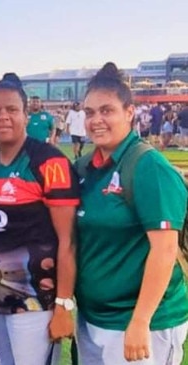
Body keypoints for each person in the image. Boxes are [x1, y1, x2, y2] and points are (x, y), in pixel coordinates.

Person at [74, 62, 188, 365]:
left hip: (141, 323)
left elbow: (164, 250)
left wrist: (140, 322)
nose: (96, 120)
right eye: (89, 112)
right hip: (92, 318)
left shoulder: (149, 167)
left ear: (129, 112)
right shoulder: (84, 168)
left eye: (107, 110)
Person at [0, 73, 79, 365]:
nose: (2, 117)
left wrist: (62, 305)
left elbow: (68, 241)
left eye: (11, 109)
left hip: (36, 304)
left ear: (25, 113)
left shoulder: (49, 161)